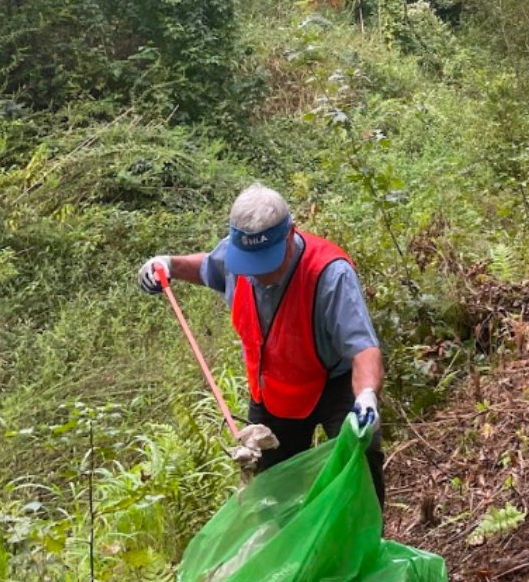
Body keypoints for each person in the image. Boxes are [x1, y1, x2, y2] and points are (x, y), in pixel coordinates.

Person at [137, 183, 386, 505]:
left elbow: (363, 347)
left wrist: (366, 397)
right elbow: (207, 268)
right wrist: (169, 265)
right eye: (249, 261)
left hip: (332, 381)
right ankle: (286, 547)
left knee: (361, 459)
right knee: (272, 491)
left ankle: (365, 545)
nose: (258, 273)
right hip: (274, 388)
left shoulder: (329, 272)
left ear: (289, 234)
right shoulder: (236, 255)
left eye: (266, 261)